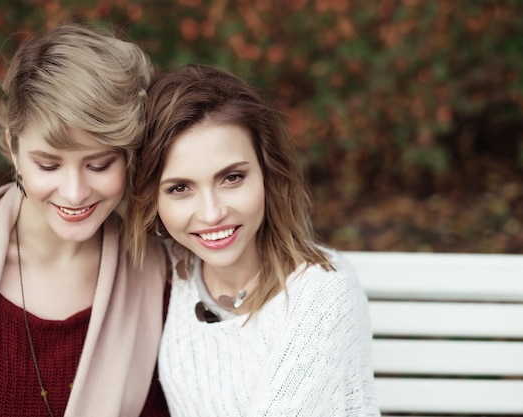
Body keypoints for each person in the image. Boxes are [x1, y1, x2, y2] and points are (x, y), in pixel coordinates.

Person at [0, 24, 170, 416]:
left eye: (99, 164)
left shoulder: (157, 278)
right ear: (13, 147)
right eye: (49, 164)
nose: (74, 193)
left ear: (130, 155)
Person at [128, 64, 380, 416]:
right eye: (180, 188)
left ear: (267, 172)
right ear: (152, 198)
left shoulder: (323, 291)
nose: (212, 213)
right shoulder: (171, 271)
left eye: (231, 178)